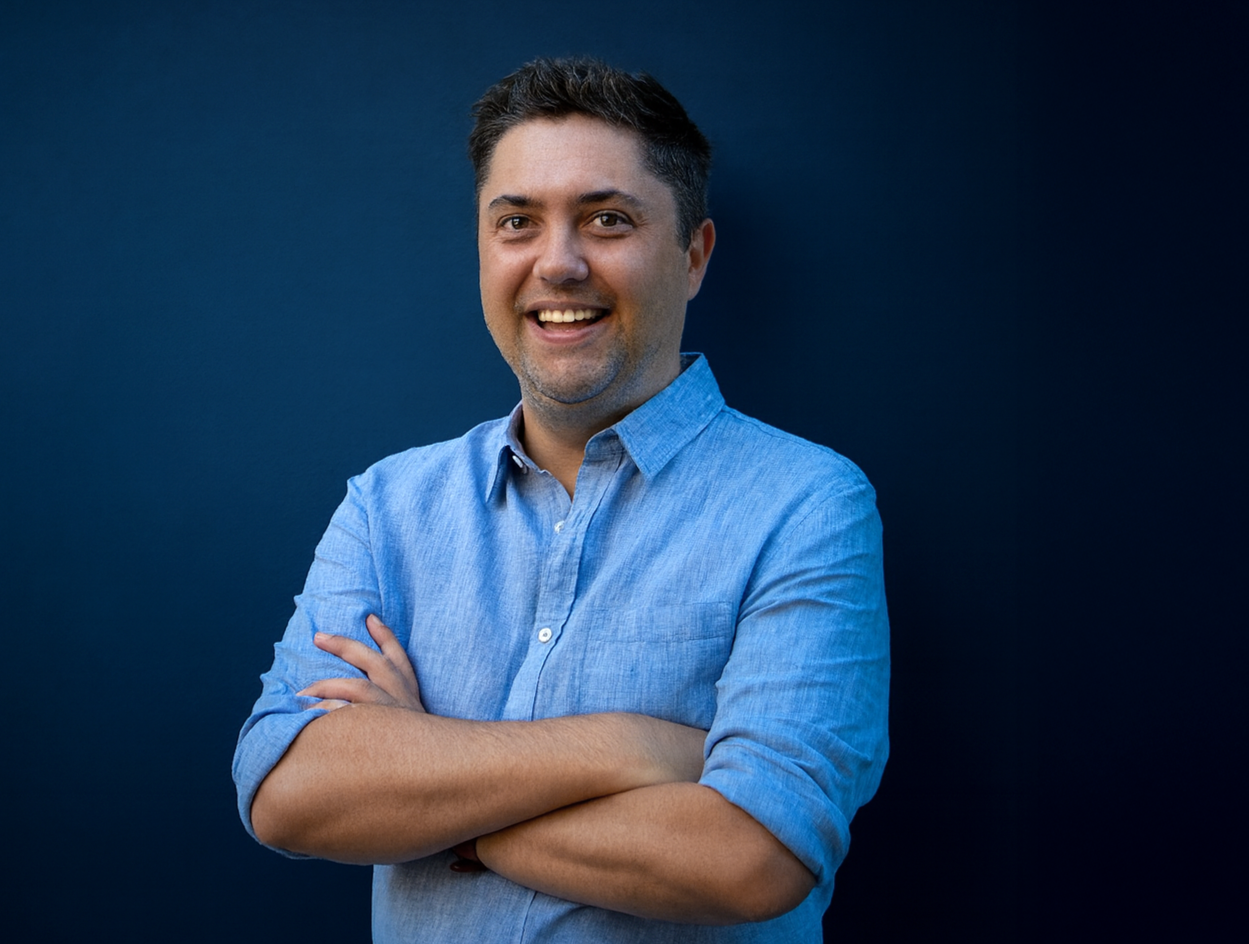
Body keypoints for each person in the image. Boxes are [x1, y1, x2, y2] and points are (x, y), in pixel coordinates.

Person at [232, 57, 890, 941]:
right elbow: (287, 793)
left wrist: (431, 787)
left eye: (606, 220)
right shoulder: (389, 506)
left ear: (692, 257)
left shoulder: (805, 505)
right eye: (516, 222)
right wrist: (634, 749)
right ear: (480, 245)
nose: (559, 263)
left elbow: (751, 857)